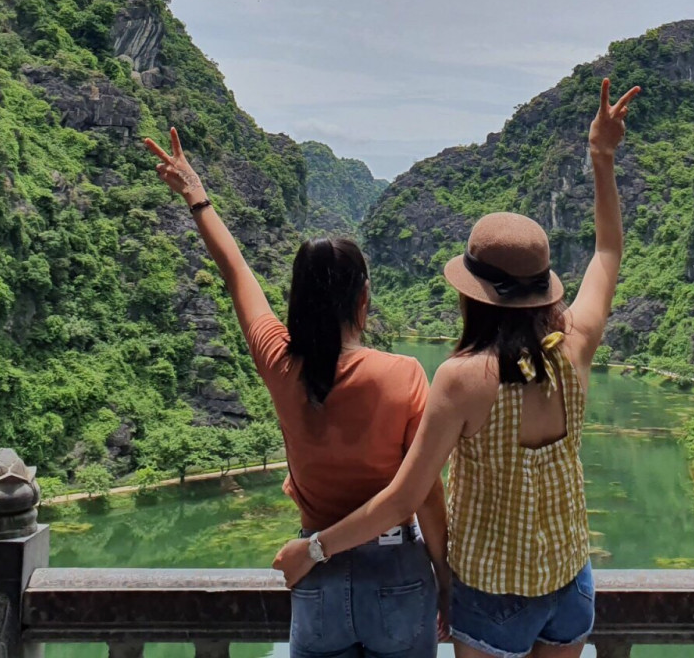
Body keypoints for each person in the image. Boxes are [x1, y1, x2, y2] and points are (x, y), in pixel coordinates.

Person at [273, 77, 641, 658]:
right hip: (570, 583)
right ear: (544, 289)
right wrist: (601, 156)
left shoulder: (463, 379)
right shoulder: (575, 347)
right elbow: (608, 252)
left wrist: (313, 549)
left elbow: (403, 500)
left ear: (472, 295)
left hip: (493, 593)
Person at [144, 128, 448, 658]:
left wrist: (197, 195)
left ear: (298, 297)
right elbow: (425, 493)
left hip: (317, 571)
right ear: (364, 300)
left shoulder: (280, 363)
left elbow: (235, 270)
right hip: (396, 573)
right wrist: (444, 575)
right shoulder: (404, 375)